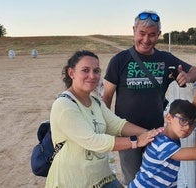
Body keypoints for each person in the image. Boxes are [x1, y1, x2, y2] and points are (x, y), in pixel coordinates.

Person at [103, 10, 196, 185]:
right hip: (128, 134)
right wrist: (104, 128)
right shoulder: (119, 60)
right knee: (134, 179)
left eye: (152, 35)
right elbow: (106, 98)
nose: (146, 39)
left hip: (158, 135)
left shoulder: (166, 59)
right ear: (134, 30)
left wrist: (188, 77)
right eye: (142, 33)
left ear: (158, 35)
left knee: (159, 181)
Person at [45, 50, 164, 188]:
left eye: (96, 71)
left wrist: (151, 134)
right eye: (85, 70)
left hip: (102, 177)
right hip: (73, 180)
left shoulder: (95, 101)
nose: (92, 76)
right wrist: (136, 141)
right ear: (71, 73)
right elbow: (94, 141)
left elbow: (118, 125)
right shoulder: (64, 105)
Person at [129, 85, 196, 187]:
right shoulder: (163, 145)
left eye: (192, 124)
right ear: (169, 118)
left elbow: (192, 114)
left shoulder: (164, 132)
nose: (188, 127)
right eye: (183, 121)